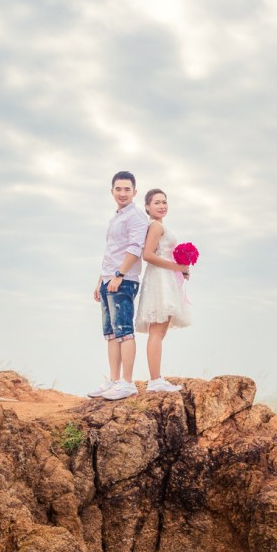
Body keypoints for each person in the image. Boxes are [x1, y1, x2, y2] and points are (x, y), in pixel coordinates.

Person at [89, 171, 149, 400]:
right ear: (112, 191)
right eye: (118, 189)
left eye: (127, 189)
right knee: (111, 334)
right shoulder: (116, 217)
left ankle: (127, 382)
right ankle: (113, 381)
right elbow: (110, 252)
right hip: (108, 280)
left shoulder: (135, 217)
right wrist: (100, 281)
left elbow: (135, 247)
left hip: (123, 280)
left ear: (135, 192)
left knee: (124, 331)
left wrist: (119, 275)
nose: (122, 193)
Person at [134, 189, 191, 392]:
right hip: (159, 279)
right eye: (156, 202)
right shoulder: (156, 225)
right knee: (157, 331)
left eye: (164, 202)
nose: (162, 206)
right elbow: (148, 255)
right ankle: (155, 380)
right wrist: (177, 267)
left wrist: (181, 269)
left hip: (163, 277)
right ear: (147, 207)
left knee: (159, 331)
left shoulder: (157, 225)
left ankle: (156, 378)